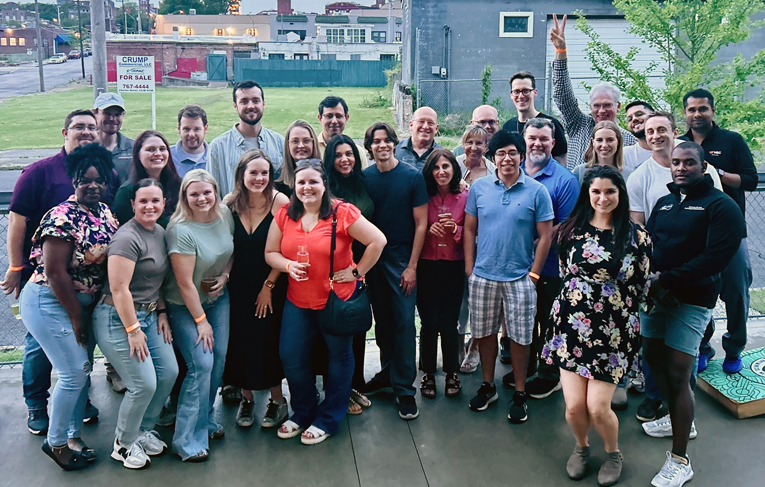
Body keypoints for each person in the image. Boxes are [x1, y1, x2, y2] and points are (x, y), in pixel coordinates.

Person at [2, 109, 117, 435]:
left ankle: (77, 407)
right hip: (51, 289)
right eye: (78, 126)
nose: (94, 185)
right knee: (43, 350)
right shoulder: (41, 177)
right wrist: (15, 266)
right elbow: (18, 223)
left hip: (86, 293)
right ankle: (39, 408)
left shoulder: (104, 205)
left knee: (78, 360)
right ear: (64, 131)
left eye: (90, 127)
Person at [642, 141, 744, 487]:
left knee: (678, 371)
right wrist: (653, 283)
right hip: (656, 296)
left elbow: (715, 259)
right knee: (653, 358)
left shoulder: (721, 206)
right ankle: (676, 417)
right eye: (676, 163)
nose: (681, 168)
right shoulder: (666, 203)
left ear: (704, 167)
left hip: (692, 301)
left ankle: (680, 460)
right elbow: (648, 245)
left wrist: (667, 281)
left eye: (689, 162)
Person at [542, 166, 651, 486]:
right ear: (587, 194)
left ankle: (613, 452)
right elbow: (566, 274)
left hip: (613, 332)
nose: (603, 198)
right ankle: (581, 447)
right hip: (571, 327)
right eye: (596, 191)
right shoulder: (569, 231)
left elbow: (641, 283)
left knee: (598, 407)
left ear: (620, 193)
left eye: (610, 192)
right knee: (574, 407)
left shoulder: (636, 236)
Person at [265, 160, 386, 445]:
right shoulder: (285, 214)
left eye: (313, 182)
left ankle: (329, 418)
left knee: (339, 358)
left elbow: (378, 241)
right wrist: (287, 265)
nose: (307, 187)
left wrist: (356, 272)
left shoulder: (341, 213)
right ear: (294, 186)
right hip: (298, 300)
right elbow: (270, 252)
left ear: (324, 185)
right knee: (291, 356)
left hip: (335, 300)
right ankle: (303, 411)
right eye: (301, 182)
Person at [19, 143, 119, 470]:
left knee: (82, 370)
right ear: (73, 180)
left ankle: (74, 435)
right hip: (50, 301)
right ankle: (57, 441)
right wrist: (77, 316)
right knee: (74, 372)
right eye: (84, 180)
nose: (93, 185)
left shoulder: (104, 212)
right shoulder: (61, 216)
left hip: (83, 304)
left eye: (99, 179)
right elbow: (55, 272)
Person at [626, 111, 723, 424]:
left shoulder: (699, 166)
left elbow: (714, 234)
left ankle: (682, 410)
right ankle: (656, 400)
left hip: (692, 284)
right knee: (653, 348)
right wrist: (653, 280)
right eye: (650, 130)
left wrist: (670, 281)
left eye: (662, 129)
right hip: (656, 279)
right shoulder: (641, 176)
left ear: (674, 130)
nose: (656, 135)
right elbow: (640, 228)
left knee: (682, 354)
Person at [464, 130, 553, 424]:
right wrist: (469, 268)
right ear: (493, 158)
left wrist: (535, 274)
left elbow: (545, 235)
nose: (506, 158)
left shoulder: (536, 191)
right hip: (484, 275)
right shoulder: (480, 188)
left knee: (519, 337)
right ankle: (488, 385)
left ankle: (519, 391)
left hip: (520, 278)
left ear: (521, 156)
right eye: (500, 153)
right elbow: (468, 229)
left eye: (512, 152)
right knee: (484, 333)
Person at [93, 179, 178, 469]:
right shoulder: (127, 238)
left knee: (169, 372)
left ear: (164, 203)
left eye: (155, 200)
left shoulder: (160, 232)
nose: (149, 206)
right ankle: (124, 444)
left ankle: (142, 430)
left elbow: (159, 282)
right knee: (143, 384)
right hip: (118, 318)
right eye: (143, 201)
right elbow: (119, 289)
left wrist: (163, 313)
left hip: (151, 314)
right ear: (132, 204)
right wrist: (133, 331)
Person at [680, 89, 758, 375]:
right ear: (685, 113)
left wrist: (717, 174)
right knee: (698, 293)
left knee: (736, 291)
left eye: (703, 109)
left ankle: (734, 348)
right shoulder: (681, 144)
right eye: (692, 110)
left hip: (730, 233)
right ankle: (702, 347)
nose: (697, 114)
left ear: (712, 111)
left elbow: (750, 180)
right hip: (694, 233)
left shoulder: (732, 140)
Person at [503, 118, 579, 401]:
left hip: (549, 268)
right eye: (532, 138)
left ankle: (550, 375)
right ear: (524, 139)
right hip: (514, 265)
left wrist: (531, 242)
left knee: (549, 321)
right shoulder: (512, 171)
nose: (537, 143)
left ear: (553, 143)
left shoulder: (564, 180)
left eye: (544, 139)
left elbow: (568, 223)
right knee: (523, 320)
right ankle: (529, 365)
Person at [164, 169, 234, 462]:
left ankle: (204, 421)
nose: (202, 198)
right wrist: (201, 322)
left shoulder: (224, 214)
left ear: (216, 192)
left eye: (207, 192)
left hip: (218, 299)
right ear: (185, 197)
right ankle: (186, 440)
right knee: (201, 363)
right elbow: (184, 283)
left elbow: (231, 249)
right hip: (184, 305)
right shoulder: (180, 229)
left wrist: (227, 274)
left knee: (218, 361)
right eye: (194, 194)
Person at [360, 122, 429, 421]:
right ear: (370, 146)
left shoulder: (412, 177)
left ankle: (405, 389)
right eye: (376, 141)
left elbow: (421, 223)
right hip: (372, 257)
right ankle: (388, 373)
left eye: (387, 140)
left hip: (401, 259)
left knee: (403, 323)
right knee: (383, 322)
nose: (382, 145)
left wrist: (412, 266)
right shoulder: (364, 178)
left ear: (394, 143)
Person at [221, 150, 291, 429]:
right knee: (239, 339)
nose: (259, 178)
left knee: (268, 338)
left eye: (265, 173)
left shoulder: (279, 202)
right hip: (239, 284)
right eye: (253, 173)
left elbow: (285, 248)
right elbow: (228, 247)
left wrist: (269, 286)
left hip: (271, 282)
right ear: (241, 175)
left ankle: (277, 400)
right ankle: (247, 398)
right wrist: (225, 274)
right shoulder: (229, 203)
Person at [323, 134, 376, 415]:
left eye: (349, 154)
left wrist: (361, 269)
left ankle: (354, 385)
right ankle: (337, 391)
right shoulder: (326, 189)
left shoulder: (363, 182)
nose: (344, 159)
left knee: (356, 328)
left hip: (362, 267)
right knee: (336, 332)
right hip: (336, 271)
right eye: (338, 155)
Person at [549, 15, 636, 169]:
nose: (601, 111)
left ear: (618, 106)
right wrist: (560, 51)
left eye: (607, 105)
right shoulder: (578, 125)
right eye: (596, 106)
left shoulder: (629, 140)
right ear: (590, 107)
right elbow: (563, 96)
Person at [417, 149, 467, 399]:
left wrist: (456, 229)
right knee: (428, 323)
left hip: (453, 266)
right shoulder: (422, 197)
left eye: (446, 166)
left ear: (454, 169)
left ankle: (451, 372)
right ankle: (427, 372)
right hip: (426, 265)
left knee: (449, 323)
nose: (441, 172)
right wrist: (427, 230)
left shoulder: (465, 197)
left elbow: (471, 231)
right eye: (436, 167)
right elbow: (413, 228)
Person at [209, 80, 285, 197]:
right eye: (244, 101)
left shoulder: (280, 143)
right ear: (235, 106)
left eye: (255, 100)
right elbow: (212, 191)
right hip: (232, 213)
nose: (250, 106)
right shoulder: (218, 147)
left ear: (263, 103)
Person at [111, 130, 182, 228]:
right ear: (138, 154)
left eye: (162, 149)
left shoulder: (179, 186)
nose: (158, 153)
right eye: (151, 149)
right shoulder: (127, 191)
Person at [503, 71, 568, 166]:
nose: (521, 96)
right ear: (511, 95)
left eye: (526, 91)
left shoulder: (551, 124)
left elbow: (561, 160)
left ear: (535, 92)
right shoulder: (508, 127)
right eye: (516, 91)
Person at [317, 95, 369, 167]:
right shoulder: (313, 149)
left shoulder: (358, 152)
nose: (334, 121)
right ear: (320, 118)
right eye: (329, 116)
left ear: (346, 118)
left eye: (339, 116)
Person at [93, 92, 134, 182]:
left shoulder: (134, 148)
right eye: (107, 113)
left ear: (123, 115)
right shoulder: (85, 148)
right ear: (95, 113)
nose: (112, 118)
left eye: (117, 114)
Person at [275, 119, 322, 195]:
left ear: (313, 143)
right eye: (295, 141)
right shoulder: (278, 180)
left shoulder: (326, 175)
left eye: (306, 141)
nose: (301, 145)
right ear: (288, 144)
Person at [171, 105, 210, 178]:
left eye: (197, 129)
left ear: (205, 129)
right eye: (186, 129)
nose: (191, 134)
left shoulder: (216, 156)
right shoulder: (167, 157)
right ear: (179, 129)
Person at [622, 101, 655, 173]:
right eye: (629, 119)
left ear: (654, 115)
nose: (634, 119)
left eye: (639, 114)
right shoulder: (624, 155)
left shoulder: (677, 148)